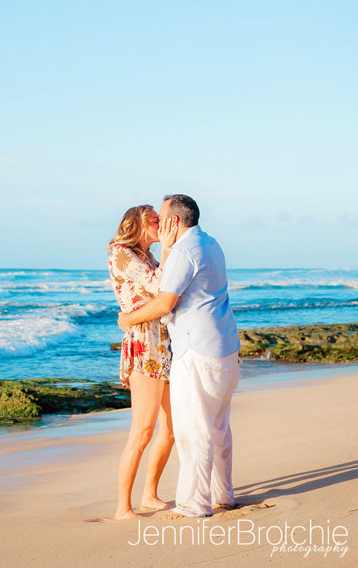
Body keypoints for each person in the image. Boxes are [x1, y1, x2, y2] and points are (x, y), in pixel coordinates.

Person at [118, 194, 240, 518]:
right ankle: (223, 494)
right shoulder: (211, 243)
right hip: (225, 347)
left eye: (161, 217)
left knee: (193, 429)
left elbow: (163, 302)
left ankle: (194, 503)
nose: (159, 223)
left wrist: (127, 320)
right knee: (218, 427)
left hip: (198, 351)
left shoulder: (184, 251)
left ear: (173, 221)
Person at [107, 205, 176, 519]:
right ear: (135, 223)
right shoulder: (121, 253)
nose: (160, 225)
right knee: (143, 429)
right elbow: (160, 286)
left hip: (164, 343)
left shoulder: (148, 255)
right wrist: (171, 244)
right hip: (144, 345)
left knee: (172, 428)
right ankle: (123, 507)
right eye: (154, 220)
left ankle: (150, 494)